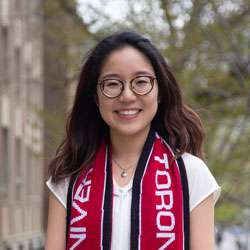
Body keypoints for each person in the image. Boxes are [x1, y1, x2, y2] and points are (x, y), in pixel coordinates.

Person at [45, 31, 221, 250]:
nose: (127, 96)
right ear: (95, 97)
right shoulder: (69, 177)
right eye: (112, 84)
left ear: (159, 92)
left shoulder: (191, 174)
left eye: (140, 81)